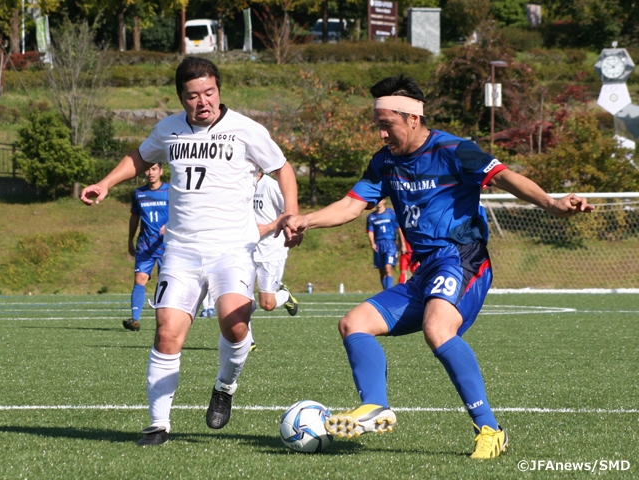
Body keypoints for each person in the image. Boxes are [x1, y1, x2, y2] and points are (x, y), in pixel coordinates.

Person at [279, 74, 594, 459]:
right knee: (354, 323)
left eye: (386, 125)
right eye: (378, 126)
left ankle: (490, 431)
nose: (381, 135)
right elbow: (350, 206)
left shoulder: (453, 149)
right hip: (426, 268)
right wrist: (306, 219)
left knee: (437, 328)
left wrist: (551, 203)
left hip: (463, 257)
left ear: (412, 119)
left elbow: (505, 177)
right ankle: (375, 406)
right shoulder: (384, 163)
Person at [80, 56, 299, 446]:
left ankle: (224, 386)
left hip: (232, 248)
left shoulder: (245, 129)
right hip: (180, 250)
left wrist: (291, 213)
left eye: (209, 93)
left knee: (235, 326)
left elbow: (283, 168)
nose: (203, 102)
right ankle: (157, 424)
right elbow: (141, 156)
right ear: (181, 98)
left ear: (219, 90)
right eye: (193, 96)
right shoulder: (168, 130)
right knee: (167, 334)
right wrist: (106, 182)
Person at [124, 163, 169, 332]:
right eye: (148, 169)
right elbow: (134, 218)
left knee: (166, 283)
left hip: (167, 245)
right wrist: (130, 240)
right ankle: (134, 320)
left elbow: (182, 212)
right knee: (139, 279)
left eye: (154, 169)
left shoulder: (170, 191)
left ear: (161, 171)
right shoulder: (139, 193)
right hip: (145, 245)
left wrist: (171, 225)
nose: (150, 173)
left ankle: (166, 321)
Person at [253, 170, 299, 316]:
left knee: (267, 304)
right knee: (239, 299)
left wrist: (267, 227)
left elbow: (289, 213)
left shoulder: (271, 185)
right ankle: (245, 338)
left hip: (270, 251)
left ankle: (284, 294)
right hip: (245, 250)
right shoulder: (240, 186)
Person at [366, 198, 400, 290]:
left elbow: (398, 228)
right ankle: (386, 291)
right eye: (376, 200)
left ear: (384, 201)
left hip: (390, 243)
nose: (378, 202)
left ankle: (389, 293)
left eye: (380, 200)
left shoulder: (391, 213)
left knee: (388, 268)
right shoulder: (371, 217)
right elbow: (370, 231)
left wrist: (402, 243)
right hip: (379, 244)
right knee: (381, 271)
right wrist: (372, 243)